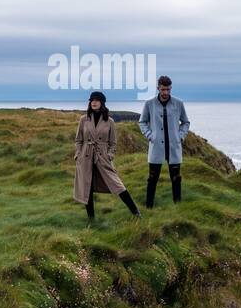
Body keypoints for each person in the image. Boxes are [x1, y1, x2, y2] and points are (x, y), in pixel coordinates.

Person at [73, 91, 140, 221]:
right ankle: (91, 219)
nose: (94, 102)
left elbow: (113, 142)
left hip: (103, 157)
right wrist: (78, 154)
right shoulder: (83, 119)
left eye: (97, 100)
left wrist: (110, 155)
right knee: (88, 187)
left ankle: (136, 212)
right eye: (92, 100)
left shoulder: (109, 121)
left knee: (118, 185)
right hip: (86, 157)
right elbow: (78, 140)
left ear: (102, 103)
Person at [139, 75, 190, 207]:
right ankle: (148, 207)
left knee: (176, 179)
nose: (165, 92)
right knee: (152, 179)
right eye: (163, 89)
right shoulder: (149, 104)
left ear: (170, 88)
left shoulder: (179, 103)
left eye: (168, 89)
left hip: (173, 147)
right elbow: (142, 122)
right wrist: (150, 135)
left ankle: (178, 207)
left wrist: (181, 136)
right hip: (156, 147)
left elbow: (185, 122)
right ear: (158, 88)